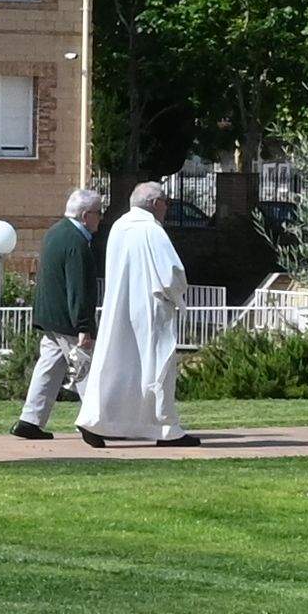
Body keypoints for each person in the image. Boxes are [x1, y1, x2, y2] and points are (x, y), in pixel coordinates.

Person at [76, 172, 195, 448]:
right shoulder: (152, 229)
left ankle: (96, 420)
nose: (167, 207)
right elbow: (172, 274)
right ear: (154, 203)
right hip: (151, 312)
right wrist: (178, 294)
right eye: (165, 202)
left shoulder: (119, 225)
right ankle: (166, 428)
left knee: (115, 365)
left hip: (120, 307)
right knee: (157, 366)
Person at [12, 180, 106, 438]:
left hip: (50, 316)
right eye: (98, 212)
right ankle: (91, 424)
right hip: (67, 320)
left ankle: (30, 421)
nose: (100, 218)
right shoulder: (77, 243)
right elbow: (79, 289)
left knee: (50, 366)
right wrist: (84, 327)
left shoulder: (55, 232)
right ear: (86, 216)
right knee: (86, 368)